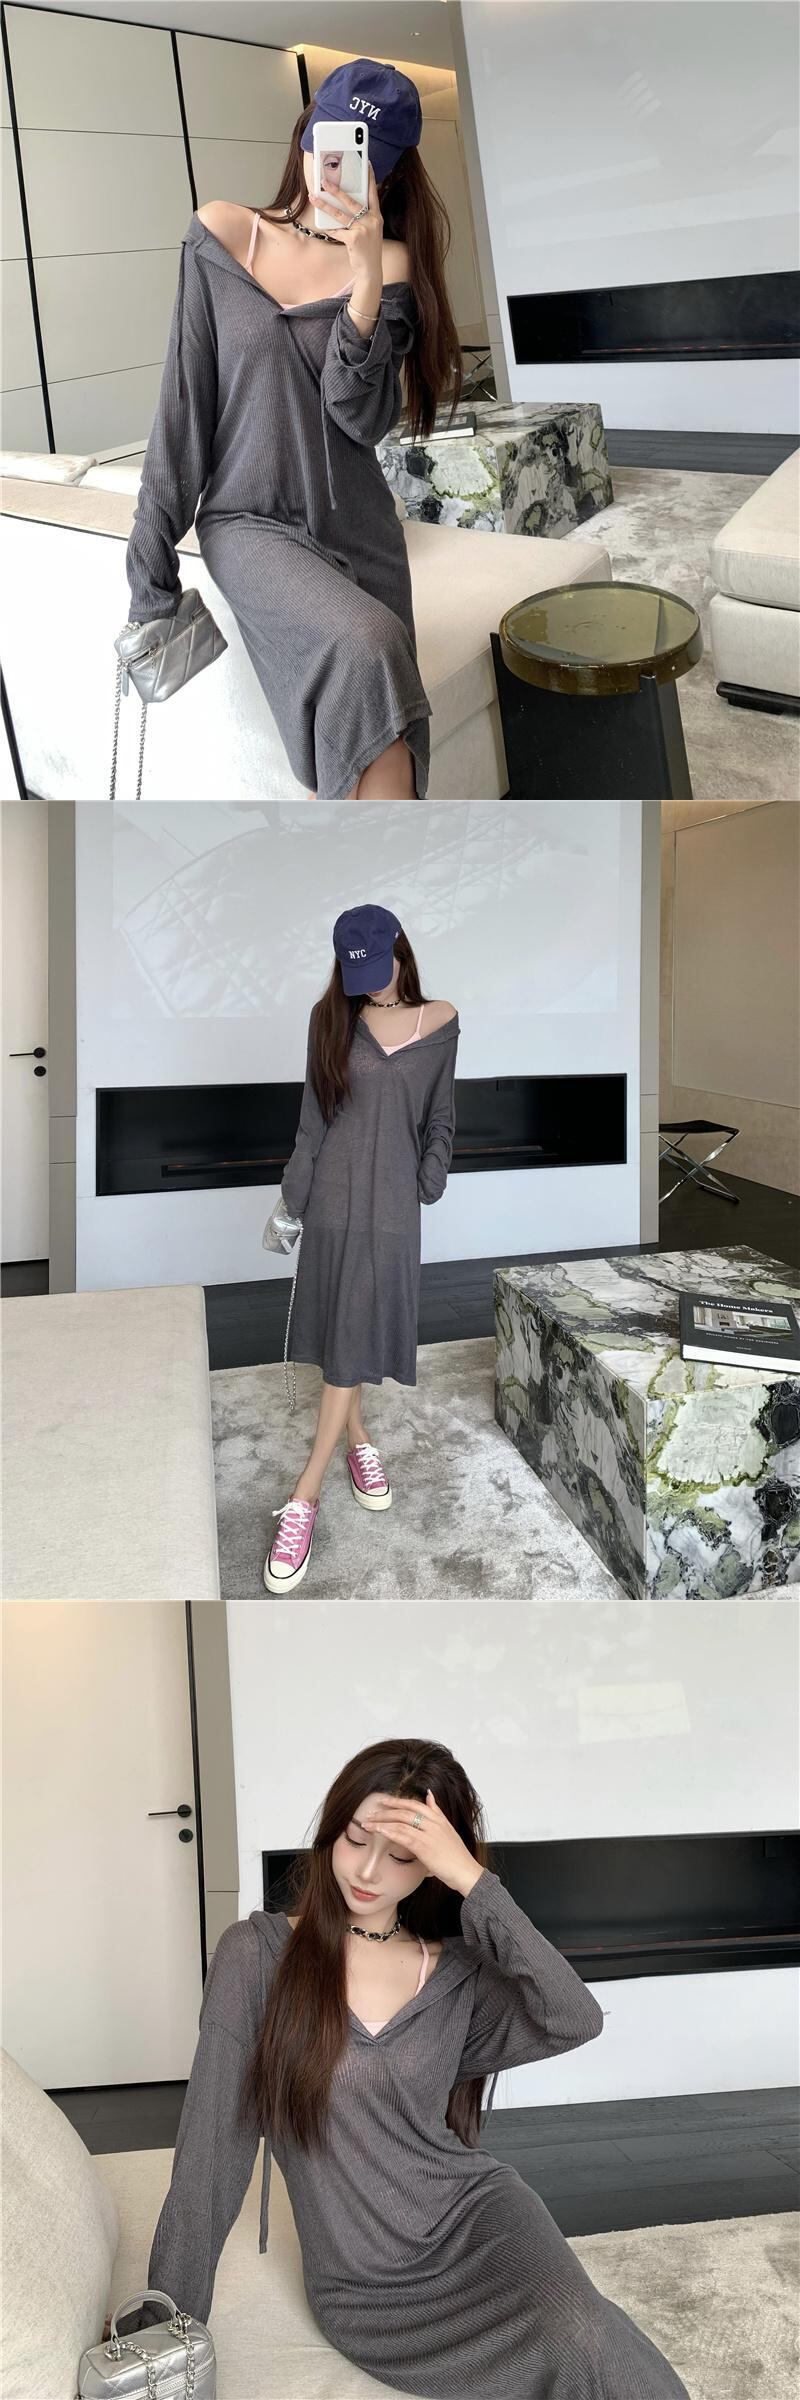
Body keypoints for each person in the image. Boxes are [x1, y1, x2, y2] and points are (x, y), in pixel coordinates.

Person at [126, 1737, 691, 2399]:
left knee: (585, 2331)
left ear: (432, 1866)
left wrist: (475, 1883)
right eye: (355, 1839)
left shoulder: (455, 1974)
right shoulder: (255, 1957)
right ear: (330, 1832)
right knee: (565, 2345)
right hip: (367, 2284)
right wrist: (168, 2318)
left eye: (402, 1856)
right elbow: (211, 2150)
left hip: (480, 2215)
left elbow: (573, 2017)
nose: (368, 1871)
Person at [124, 59, 464, 803]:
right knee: (368, 645)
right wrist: (149, 577)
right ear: (306, 132)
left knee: (381, 745)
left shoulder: (391, 265)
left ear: (388, 173)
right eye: (330, 143)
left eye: (362, 157)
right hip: (249, 522)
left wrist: (365, 281)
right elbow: (182, 412)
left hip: (359, 528)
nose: (335, 168)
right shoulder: (222, 235)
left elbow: (358, 417)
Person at [262, 903, 459, 1593]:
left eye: (378, 968)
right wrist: (292, 1203)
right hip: (335, 1201)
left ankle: (344, 1451)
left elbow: (441, 1114)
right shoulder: (331, 1020)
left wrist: (431, 1173)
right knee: (345, 1336)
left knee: (357, 1330)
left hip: (394, 1205)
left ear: (401, 952)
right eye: (357, 973)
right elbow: (312, 1124)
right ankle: (312, 1489)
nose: (369, 984)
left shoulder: (441, 1020)